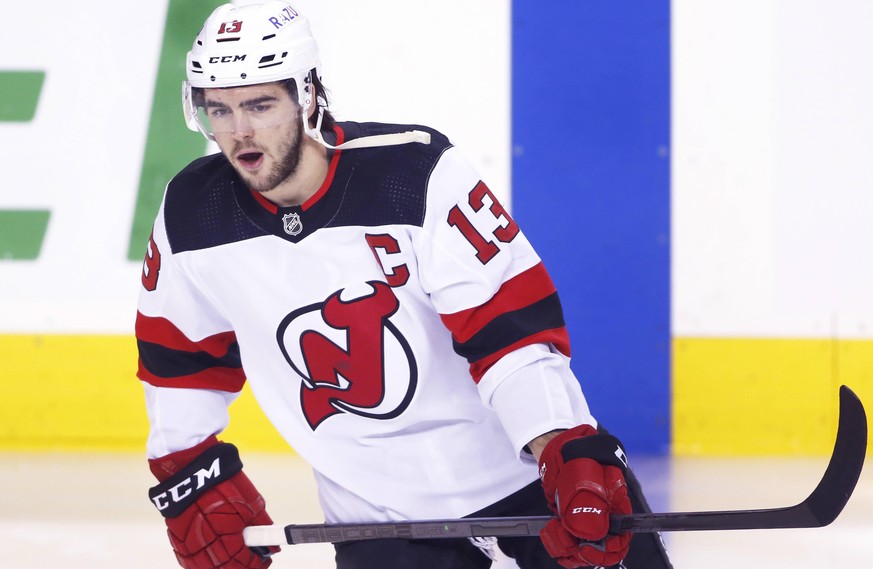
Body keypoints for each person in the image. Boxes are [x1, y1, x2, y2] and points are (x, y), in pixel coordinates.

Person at [136, 2, 674, 568]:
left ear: (308, 95)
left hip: (523, 477)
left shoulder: (412, 175)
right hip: (374, 514)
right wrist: (191, 473)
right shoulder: (191, 216)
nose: (239, 131)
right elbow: (180, 358)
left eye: (260, 104)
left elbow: (506, 332)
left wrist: (562, 445)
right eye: (219, 110)